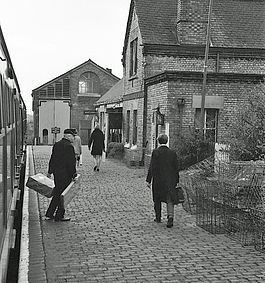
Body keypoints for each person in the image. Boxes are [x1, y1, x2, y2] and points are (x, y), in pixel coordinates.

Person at [146, 134, 180, 228]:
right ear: (167, 141)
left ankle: (158, 217)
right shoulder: (172, 153)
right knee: (170, 199)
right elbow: (176, 167)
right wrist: (177, 180)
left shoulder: (155, 152)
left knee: (157, 199)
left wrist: (148, 180)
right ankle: (170, 217)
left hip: (158, 180)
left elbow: (152, 167)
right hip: (170, 180)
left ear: (158, 141)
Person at [45, 128, 77, 222]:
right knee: (63, 195)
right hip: (65, 175)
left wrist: (50, 171)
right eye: (73, 136)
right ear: (68, 136)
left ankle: (50, 213)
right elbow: (70, 163)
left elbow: (53, 158)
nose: (74, 138)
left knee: (57, 193)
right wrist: (73, 174)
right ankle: (59, 215)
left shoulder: (57, 145)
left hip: (57, 174)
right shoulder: (69, 147)